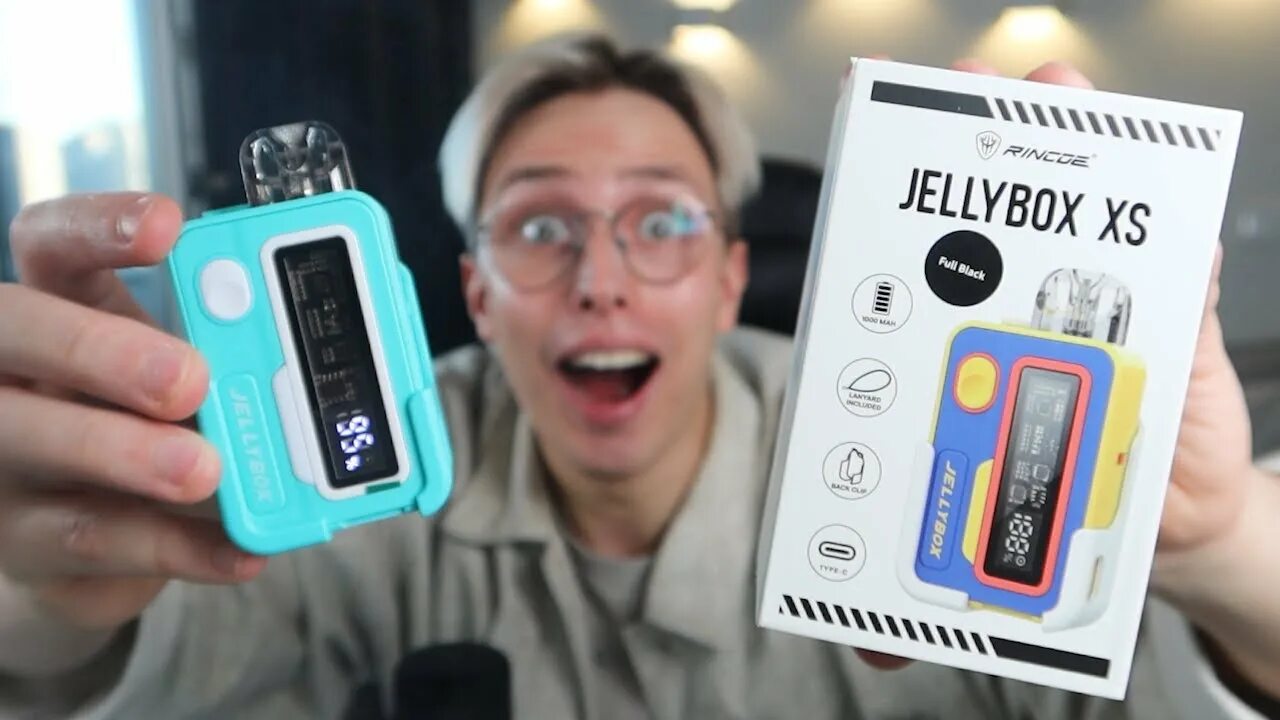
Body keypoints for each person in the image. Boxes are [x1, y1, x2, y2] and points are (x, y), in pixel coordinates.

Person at [0, 31, 1277, 719]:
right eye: (539, 226)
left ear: (728, 277)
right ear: (475, 295)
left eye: (660, 221)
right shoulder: (361, 488)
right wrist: (53, 603)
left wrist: (1221, 547)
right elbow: (136, 674)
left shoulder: (909, 448)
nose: (600, 280)